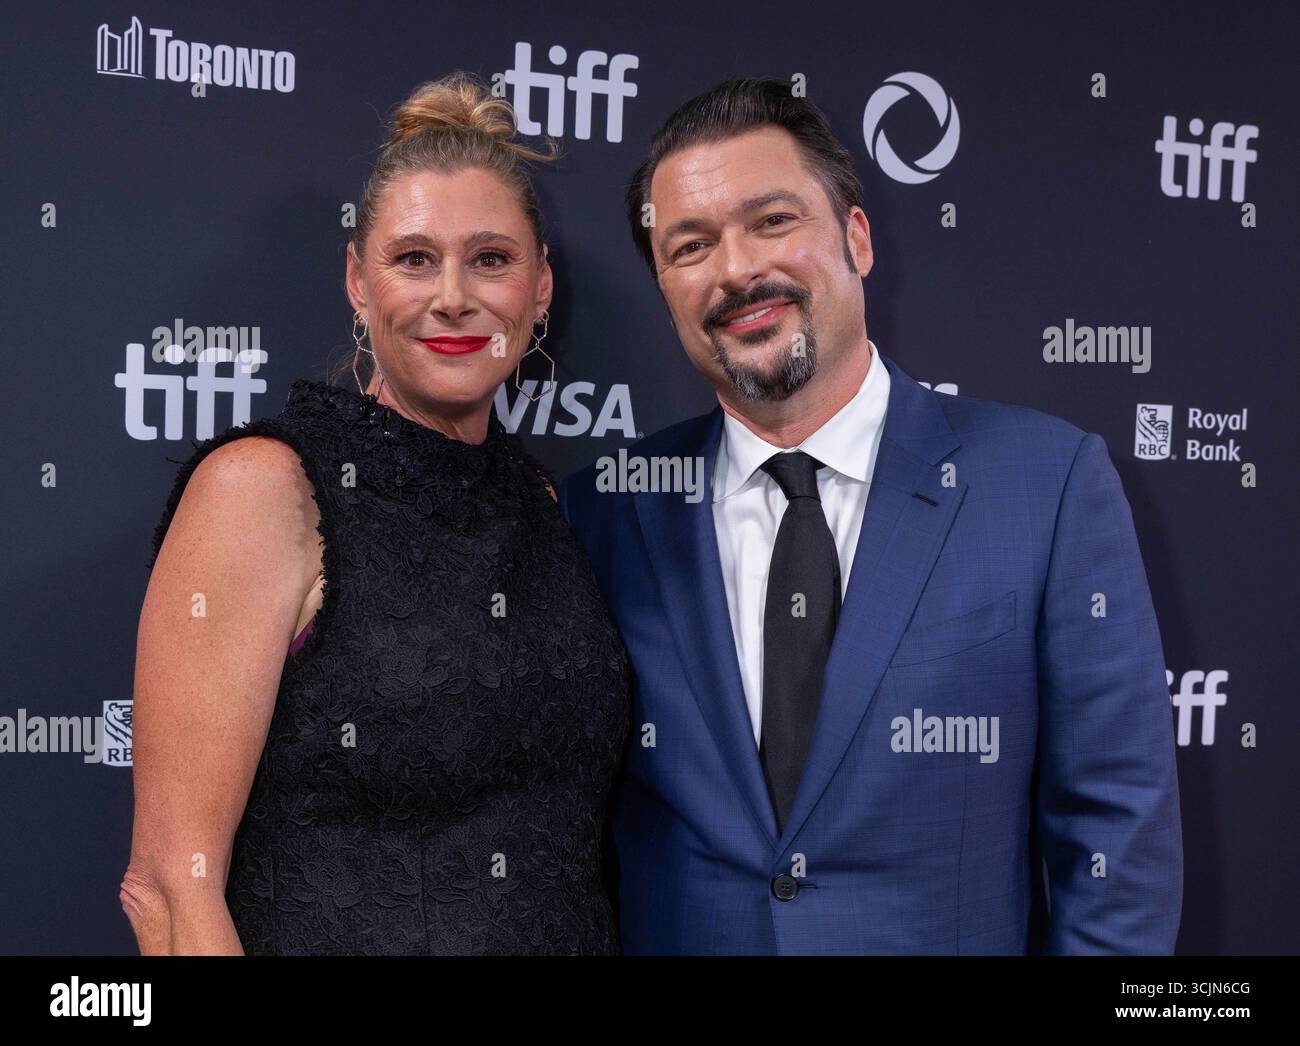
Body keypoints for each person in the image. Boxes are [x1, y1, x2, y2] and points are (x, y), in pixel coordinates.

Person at [559, 78, 1183, 954]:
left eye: (772, 221)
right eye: (691, 245)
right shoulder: (603, 514)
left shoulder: (1044, 486)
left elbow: (1116, 837)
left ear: (856, 237)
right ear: (665, 287)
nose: (737, 270)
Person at [120, 72, 631, 955]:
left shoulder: (541, 505)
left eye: (493, 259)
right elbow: (170, 889)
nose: (453, 297)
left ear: (540, 289)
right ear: (359, 281)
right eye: (414, 258)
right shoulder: (267, 489)